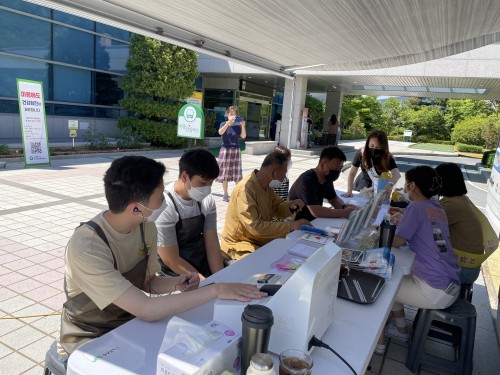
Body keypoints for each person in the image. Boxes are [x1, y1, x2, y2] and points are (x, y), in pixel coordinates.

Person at [57, 156, 265, 361]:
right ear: (135, 208)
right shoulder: (88, 247)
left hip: (130, 321)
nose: (164, 201)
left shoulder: (145, 227)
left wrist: (177, 283)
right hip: (90, 334)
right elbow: (147, 309)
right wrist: (216, 289)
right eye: (160, 197)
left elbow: (148, 281)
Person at [376, 166, 460, 355]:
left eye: (406, 184)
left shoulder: (416, 207)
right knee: (393, 278)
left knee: (381, 285)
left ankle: (378, 345)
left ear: (412, 186)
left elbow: (395, 242)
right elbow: (427, 231)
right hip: (450, 283)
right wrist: (404, 219)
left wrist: (377, 231)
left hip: (434, 290)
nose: (404, 188)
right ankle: (401, 330)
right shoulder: (436, 207)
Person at [220, 151, 310, 260]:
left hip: (258, 240)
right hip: (239, 244)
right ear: (273, 174)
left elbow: (278, 206)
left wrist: (291, 206)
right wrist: (290, 226)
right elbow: (255, 227)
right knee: (266, 265)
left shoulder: (265, 187)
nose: (284, 178)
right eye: (284, 173)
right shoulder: (245, 190)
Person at [155, 148, 224, 280]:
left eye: (211, 183)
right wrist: (206, 283)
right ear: (185, 176)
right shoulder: (164, 205)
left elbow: (212, 244)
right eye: (203, 183)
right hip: (174, 270)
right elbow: (171, 259)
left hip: (200, 259)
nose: (207, 188)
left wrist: (219, 278)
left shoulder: (207, 200)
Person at [435, 162, 483, 285]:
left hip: (464, 269)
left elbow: (424, 225)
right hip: (469, 266)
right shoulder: (460, 199)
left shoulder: (451, 205)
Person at [288, 146, 358, 221]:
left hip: (313, 221)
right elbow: (316, 211)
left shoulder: (327, 179)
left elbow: (333, 199)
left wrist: (344, 207)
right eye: (336, 168)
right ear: (323, 165)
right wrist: (343, 212)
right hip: (296, 223)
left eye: (340, 168)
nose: (338, 171)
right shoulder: (307, 180)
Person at [342, 130, 401, 197]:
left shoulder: (387, 157)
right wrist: (349, 190)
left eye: (378, 147)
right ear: (368, 144)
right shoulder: (361, 154)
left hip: (381, 188)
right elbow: (352, 172)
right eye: (372, 146)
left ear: (383, 146)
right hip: (364, 185)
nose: (374, 149)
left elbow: (397, 174)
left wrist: (389, 185)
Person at [216, 106, 246, 202]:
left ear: (236, 115)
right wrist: (228, 123)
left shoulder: (237, 126)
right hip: (225, 150)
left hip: (236, 150)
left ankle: (237, 194)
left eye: (234, 114)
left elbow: (243, 136)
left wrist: (243, 126)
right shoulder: (223, 123)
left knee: (237, 174)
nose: (232, 115)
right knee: (225, 173)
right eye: (230, 113)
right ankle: (225, 194)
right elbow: (220, 132)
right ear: (227, 114)